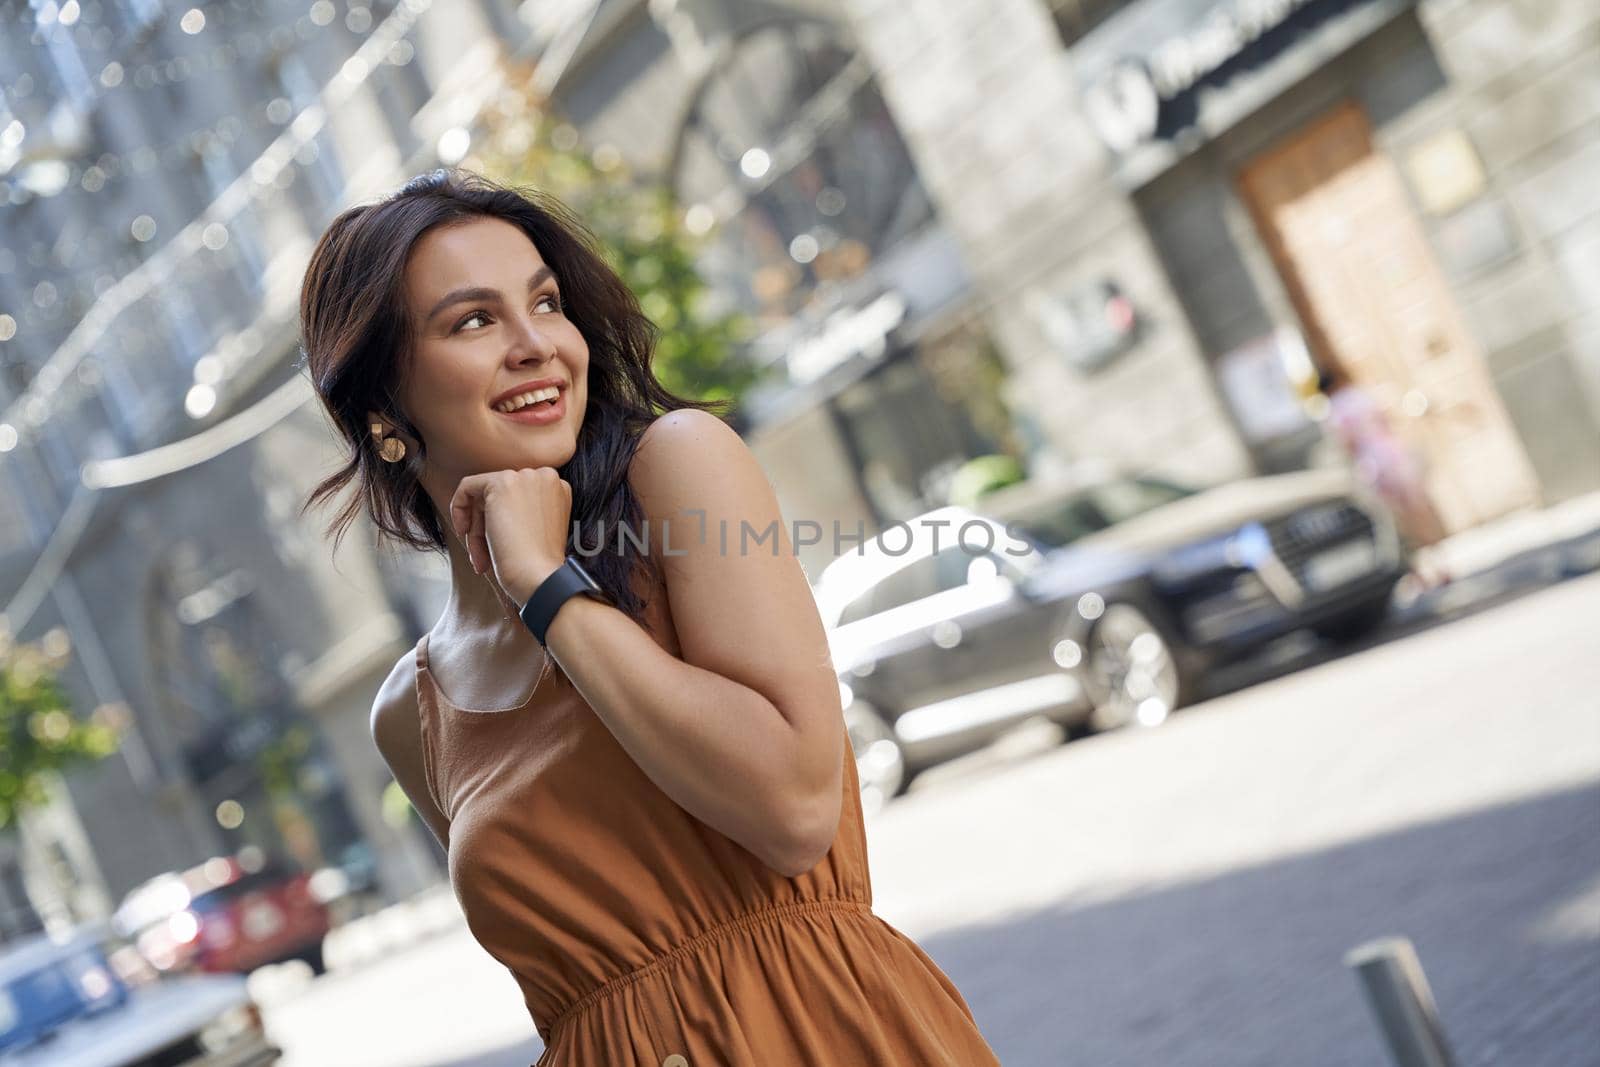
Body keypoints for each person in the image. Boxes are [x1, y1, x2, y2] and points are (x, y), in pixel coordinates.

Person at [297, 168, 1002, 1066]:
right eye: (473, 320)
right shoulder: (411, 714)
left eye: (546, 304)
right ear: (381, 410)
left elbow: (790, 809)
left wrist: (547, 589)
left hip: (818, 1034)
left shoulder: (679, 469)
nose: (536, 345)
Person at [1315, 365, 1451, 589]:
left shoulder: (1334, 411)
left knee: (1397, 522)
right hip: (1394, 455)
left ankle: (1419, 572)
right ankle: (1440, 563)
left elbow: (1347, 444)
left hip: (1373, 465)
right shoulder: (1359, 396)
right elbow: (1387, 420)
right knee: (1418, 510)